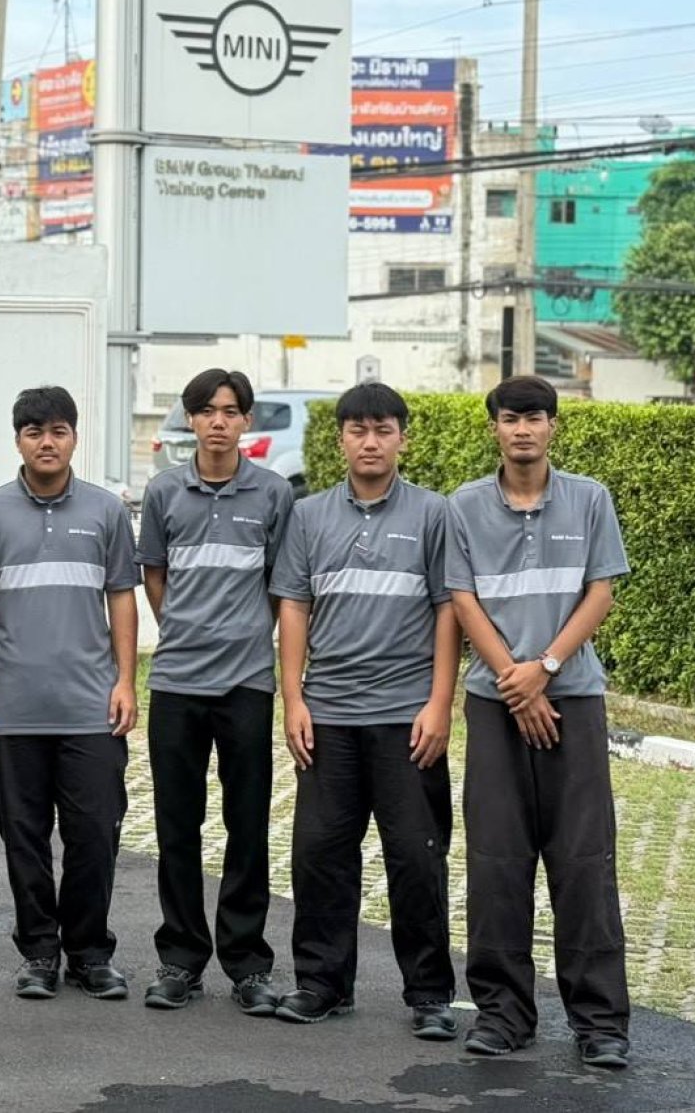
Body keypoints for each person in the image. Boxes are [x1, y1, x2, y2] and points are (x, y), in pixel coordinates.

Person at [445, 374, 632, 1070]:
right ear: (494, 426)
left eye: (535, 418)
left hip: (572, 699)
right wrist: (515, 682)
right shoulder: (463, 506)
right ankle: (503, 1014)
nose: (522, 429)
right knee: (497, 861)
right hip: (496, 703)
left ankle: (600, 1022)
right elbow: (462, 598)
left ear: (554, 426)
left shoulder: (589, 498)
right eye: (510, 418)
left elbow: (601, 590)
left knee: (584, 862)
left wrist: (545, 668)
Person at [269, 383, 458, 1040]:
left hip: (408, 718)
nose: (370, 442)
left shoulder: (435, 514)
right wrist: (294, 698)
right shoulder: (308, 515)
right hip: (329, 716)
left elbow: (449, 610)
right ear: (341, 439)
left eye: (382, 429)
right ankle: (322, 983)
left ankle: (430, 993)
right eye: (358, 430)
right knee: (319, 855)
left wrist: (440, 703)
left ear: (403, 436)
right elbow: (294, 606)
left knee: (417, 858)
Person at [0, 386, 140, 1002]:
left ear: (74, 438)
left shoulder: (106, 511)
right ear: (18, 440)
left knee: (95, 836)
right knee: (24, 838)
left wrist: (126, 680)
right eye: (35, 431)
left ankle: (90, 953)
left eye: (58, 431)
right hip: (11, 708)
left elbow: (121, 596)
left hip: (91, 708)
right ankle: (39, 952)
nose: (47, 442)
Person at [136, 368, 293, 1017]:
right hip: (177, 681)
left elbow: (282, 585)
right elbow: (154, 575)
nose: (219, 421)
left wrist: (247, 636)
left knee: (247, 824)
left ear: (246, 420)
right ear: (191, 420)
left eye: (230, 410)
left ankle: (248, 963)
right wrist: (184, 628)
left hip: (247, 682)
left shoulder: (274, 493)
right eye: (206, 410)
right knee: (177, 825)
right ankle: (180, 958)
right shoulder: (164, 491)